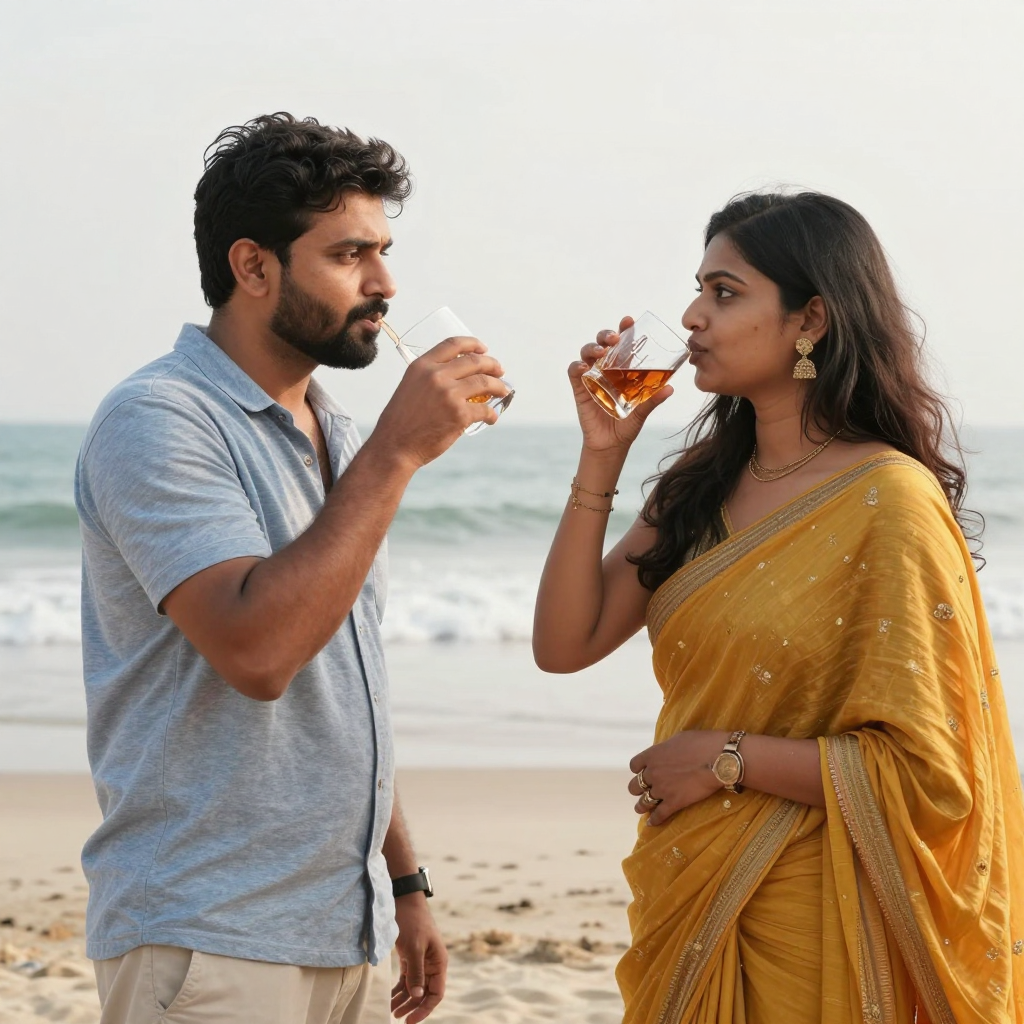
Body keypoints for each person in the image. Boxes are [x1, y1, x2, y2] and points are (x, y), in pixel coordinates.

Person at [533, 191, 1024, 1023]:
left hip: (815, 912)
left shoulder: (889, 501)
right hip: (689, 887)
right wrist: (600, 457)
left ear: (812, 320)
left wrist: (728, 757)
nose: (691, 315)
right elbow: (564, 641)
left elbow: (929, 775)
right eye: (698, 289)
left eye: (725, 293)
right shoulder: (700, 489)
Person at [74, 112, 508, 1024]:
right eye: (350, 254)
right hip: (207, 936)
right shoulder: (160, 418)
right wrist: (398, 452)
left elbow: (347, 679)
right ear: (254, 266)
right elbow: (260, 651)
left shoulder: (335, 430)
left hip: (335, 934)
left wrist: (406, 881)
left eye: (384, 251)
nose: (384, 284)